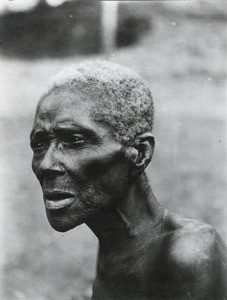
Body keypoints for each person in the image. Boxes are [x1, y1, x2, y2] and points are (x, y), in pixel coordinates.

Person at [30, 60, 227, 300]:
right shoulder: (118, 251)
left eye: (74, 140)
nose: (45, 164)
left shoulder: (188, 252)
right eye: (39, 145)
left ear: (140, 153)